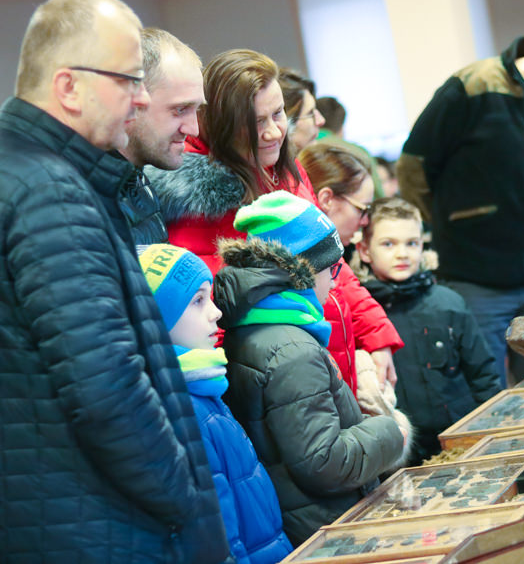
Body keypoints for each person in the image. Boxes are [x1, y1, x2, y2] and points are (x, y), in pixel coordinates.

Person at [0, 0, 230, 561]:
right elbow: (105, 389)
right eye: (128, 79)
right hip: (99, 521)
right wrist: (186, 495)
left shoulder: (31, 174)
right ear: (68, 87)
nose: (142, 96)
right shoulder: (49, 191)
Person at [149, 50, 402, 394]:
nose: (273, 132)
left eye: (278, 113)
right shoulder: (196, 207)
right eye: (256, 122)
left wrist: (375, 333)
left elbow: (330, 263)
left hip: (325, 365)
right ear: (224, 125)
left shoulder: (286, 171)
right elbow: (211, 319)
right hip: (283, 383)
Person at [397, 14, 524, 386]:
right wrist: (449, 223)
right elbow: (414, 166)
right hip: (477, 277)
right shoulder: (474, 86)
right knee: (485, 388)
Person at [214, 191, 410, 546]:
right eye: (331, 268)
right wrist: (390, 431)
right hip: (327, 528)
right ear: (299, 273)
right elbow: (324, 463)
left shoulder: (252, 329)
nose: (335, 282)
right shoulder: (293, 351)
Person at [138, 243, 295, 564]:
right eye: (197, 301)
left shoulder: (202, 391)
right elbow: (220, 537)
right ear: (157, 317)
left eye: (209, 297)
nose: (216, 312)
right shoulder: (181, 411)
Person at [355, 197, 501, 464]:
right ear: (364, 251)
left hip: (460, 444)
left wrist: (490, 435)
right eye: (388, 244)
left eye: (412, 243)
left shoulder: (448, 303)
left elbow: (483, 376)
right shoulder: (358, 317)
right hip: (399, 457)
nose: (402, 254)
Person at [297, 141, 403, 391]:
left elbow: (349, 286)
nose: (365, 221)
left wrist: (379, 338)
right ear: (326, 199)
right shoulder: (307, 250)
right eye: (362, 209)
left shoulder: (325, 250)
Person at [119, 27, 205, 244]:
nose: (193, 129)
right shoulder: (71, 200)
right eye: (179, 109)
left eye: (197, 110)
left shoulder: (137, 183)